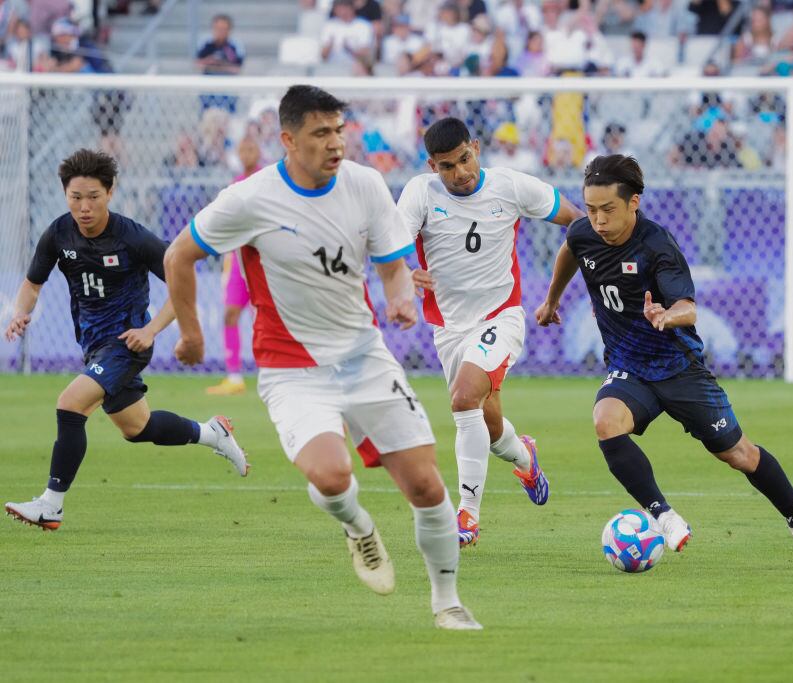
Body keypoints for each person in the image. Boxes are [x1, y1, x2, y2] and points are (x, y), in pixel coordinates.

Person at [163, 86, 480, 630]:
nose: (335, 143)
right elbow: (178, 256)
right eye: (320, 133)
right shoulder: (249, 199)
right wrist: (191, 335)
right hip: (292, 369)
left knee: (426, 486)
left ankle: (447, 603)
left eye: (339, 130)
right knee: (332, 476)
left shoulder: (366, 184)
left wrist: (400, 298)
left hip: (364, 357)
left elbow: (392, 265)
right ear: (288, 140)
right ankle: (359, 527)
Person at [535, 154, 793, 571]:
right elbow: (570, 249)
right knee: (606, 421)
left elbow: (688, 308)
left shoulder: (657, 245)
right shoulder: (584, 233)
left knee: (740, 455)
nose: (598, 220)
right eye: (591, 209)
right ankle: (664, 516)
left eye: (608, 209)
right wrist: (552, 299)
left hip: (679, 367)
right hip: (629, 367)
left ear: (633, 202)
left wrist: (665, 316)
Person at [4, 149, 249, 531]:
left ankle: (51, 505)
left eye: (93, 197)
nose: (84, 207)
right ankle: (211, 433)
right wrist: (20, 312)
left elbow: (182, 282)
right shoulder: (58, 233)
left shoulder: (132, 237)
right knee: (137, 428)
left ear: (110, 192)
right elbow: (32, 284)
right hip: (93, 346)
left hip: (128, 343)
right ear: (65, 195)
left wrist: (151, 330)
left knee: (70, 405)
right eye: (75, 197)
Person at [397, 117, 583, 547]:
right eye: (447, 166)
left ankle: (467, 515)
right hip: (449, 328)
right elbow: (391, 247)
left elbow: (576, 222)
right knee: (489, 424)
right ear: (432, 167)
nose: (460, 173)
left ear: (476, 147)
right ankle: (525, 458)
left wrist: (581, 285)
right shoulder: (420, 193)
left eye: (465, 159)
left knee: (464, 399)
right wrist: (404, 272)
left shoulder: (510, 186)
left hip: (501, 317)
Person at [206, 137, 261, 396]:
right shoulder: (235, 184)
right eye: (243, 150)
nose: (246, 154)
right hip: (238, 258)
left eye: (251, 149)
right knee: (230, 313)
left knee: (262, 317)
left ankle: (271, 371)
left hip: (261, 259)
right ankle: (234, 376)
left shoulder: (266, 180)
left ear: (258, 152)